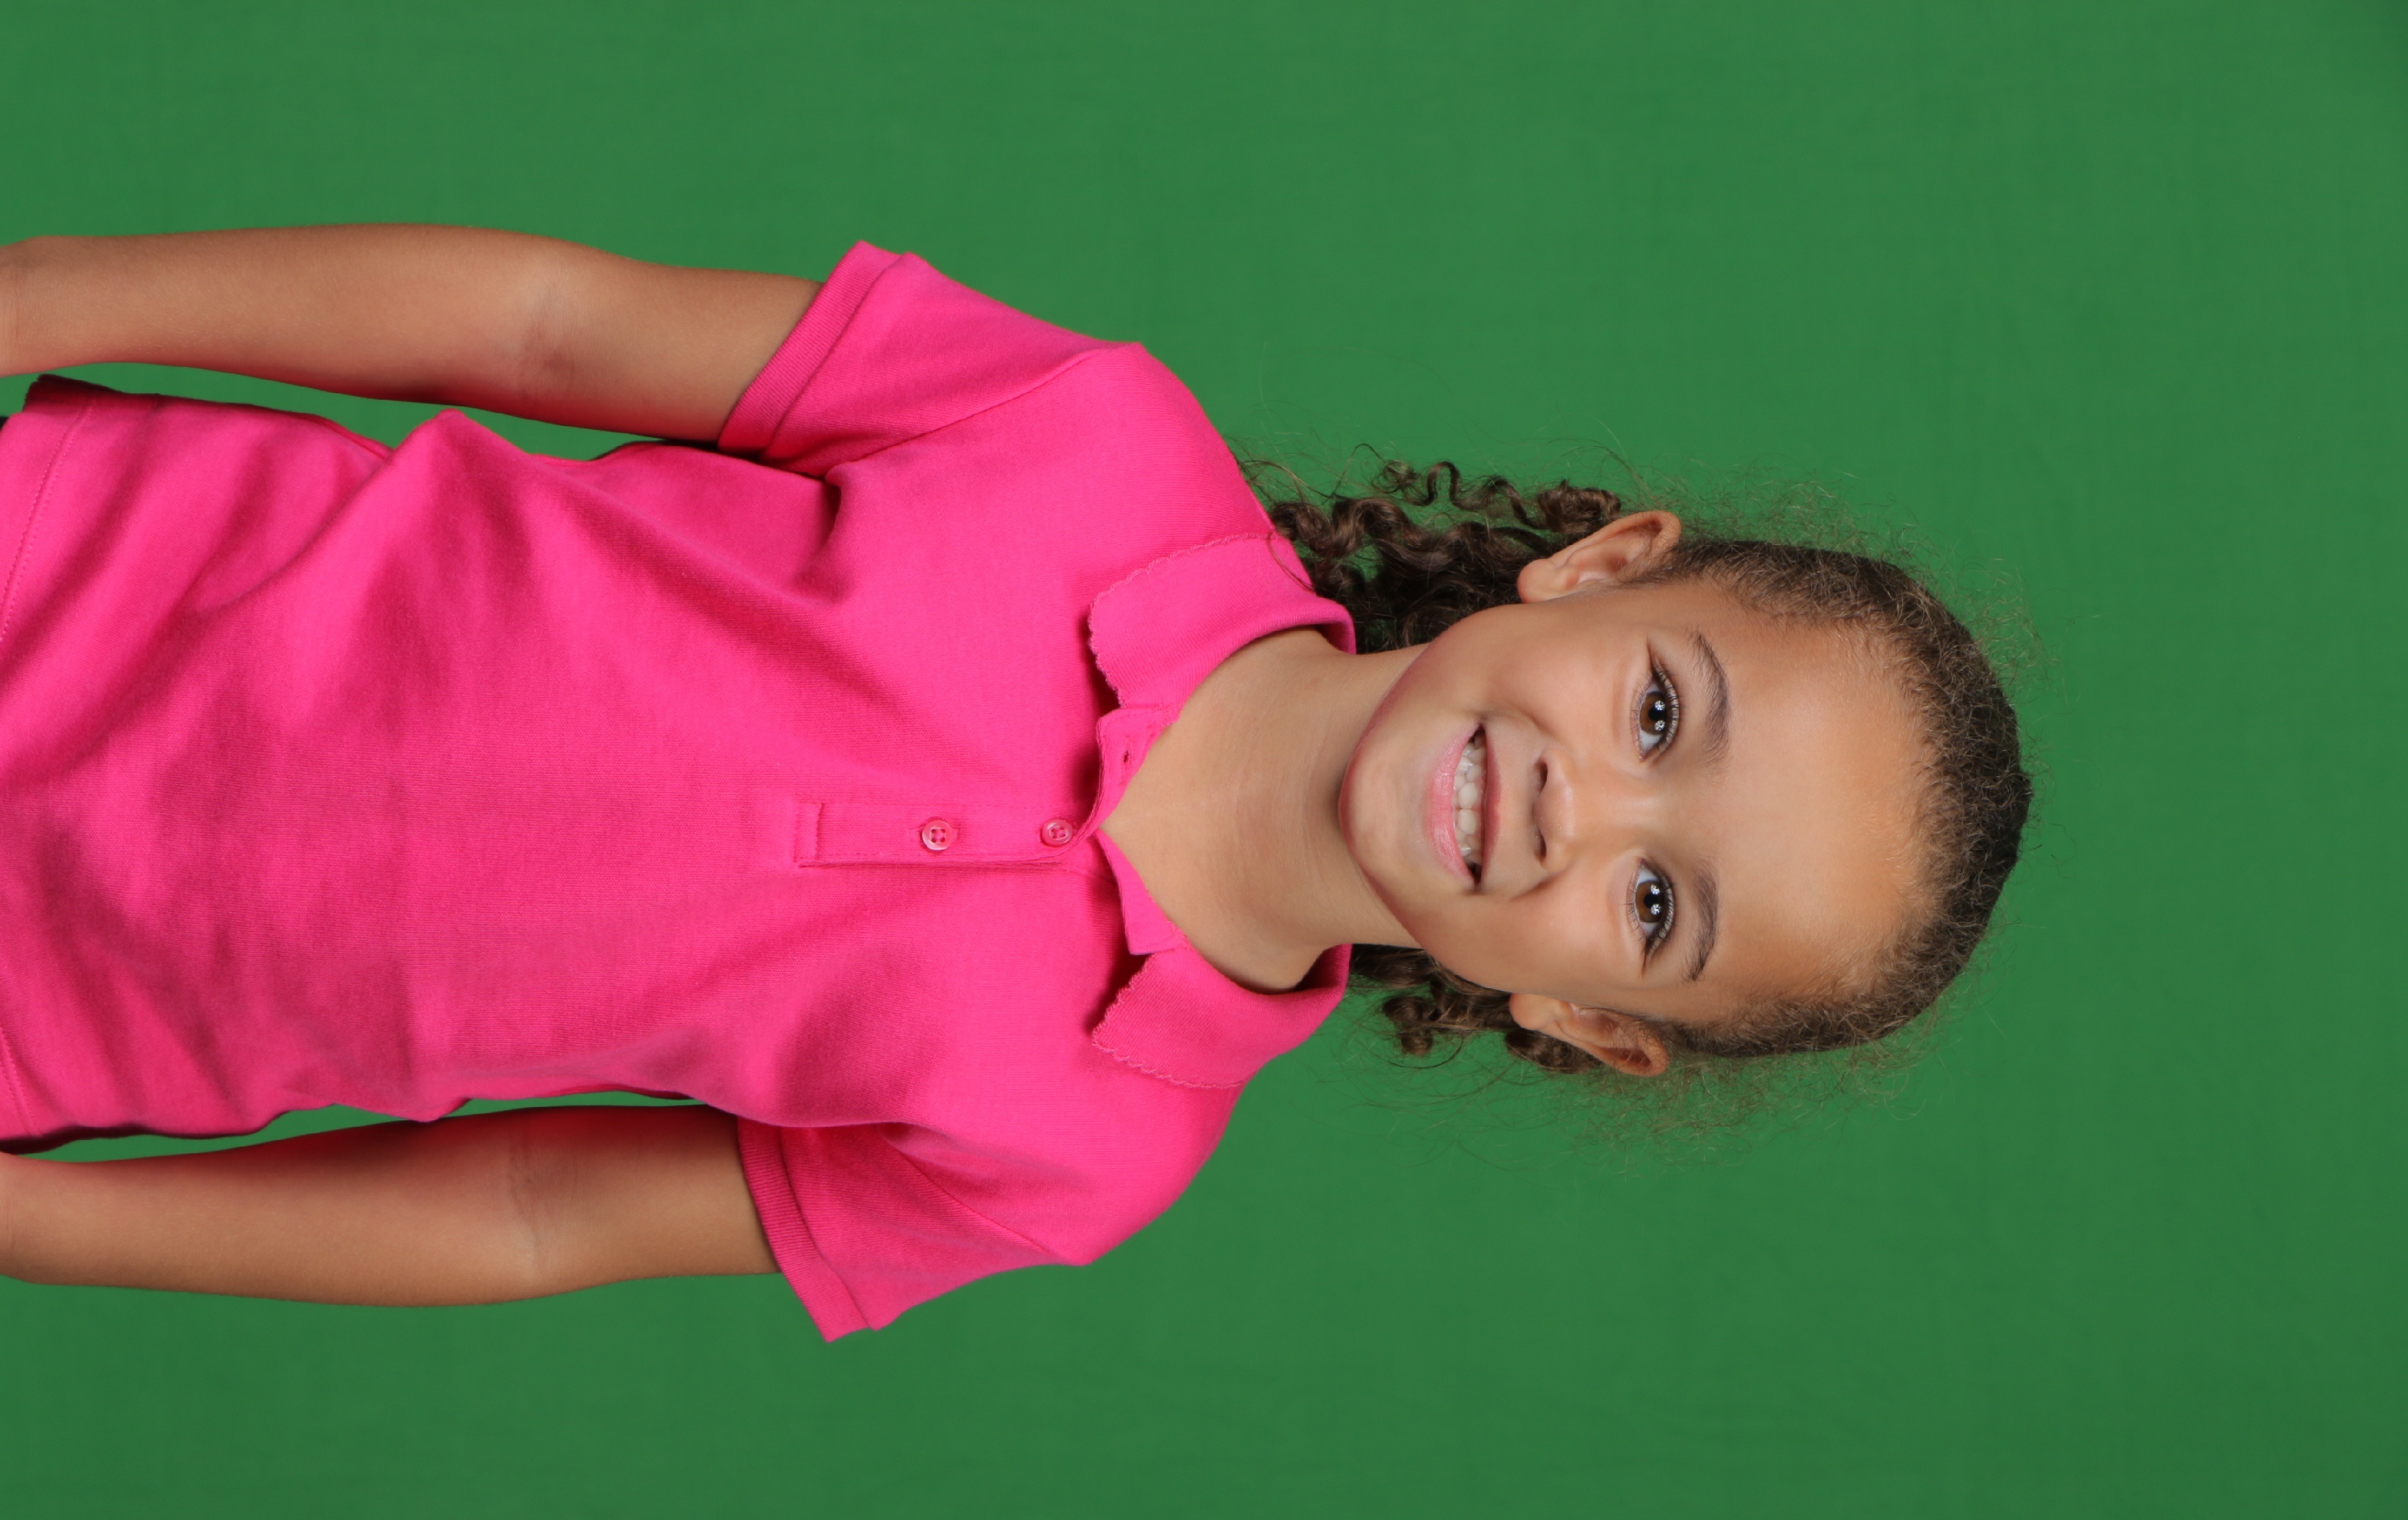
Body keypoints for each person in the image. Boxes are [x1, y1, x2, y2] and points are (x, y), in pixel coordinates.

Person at [0, 227, 2029, 1337]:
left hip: (52, 1021)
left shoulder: (1082, 1159)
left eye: (1655, 905)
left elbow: (535, 1212)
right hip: (63, 560)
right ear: (1602, 570)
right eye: (1661, 716)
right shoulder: (1088, 436)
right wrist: (47, 292)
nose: (1587, 810)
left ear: (1583, 1020)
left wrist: (57, 1235)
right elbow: (549, 324)